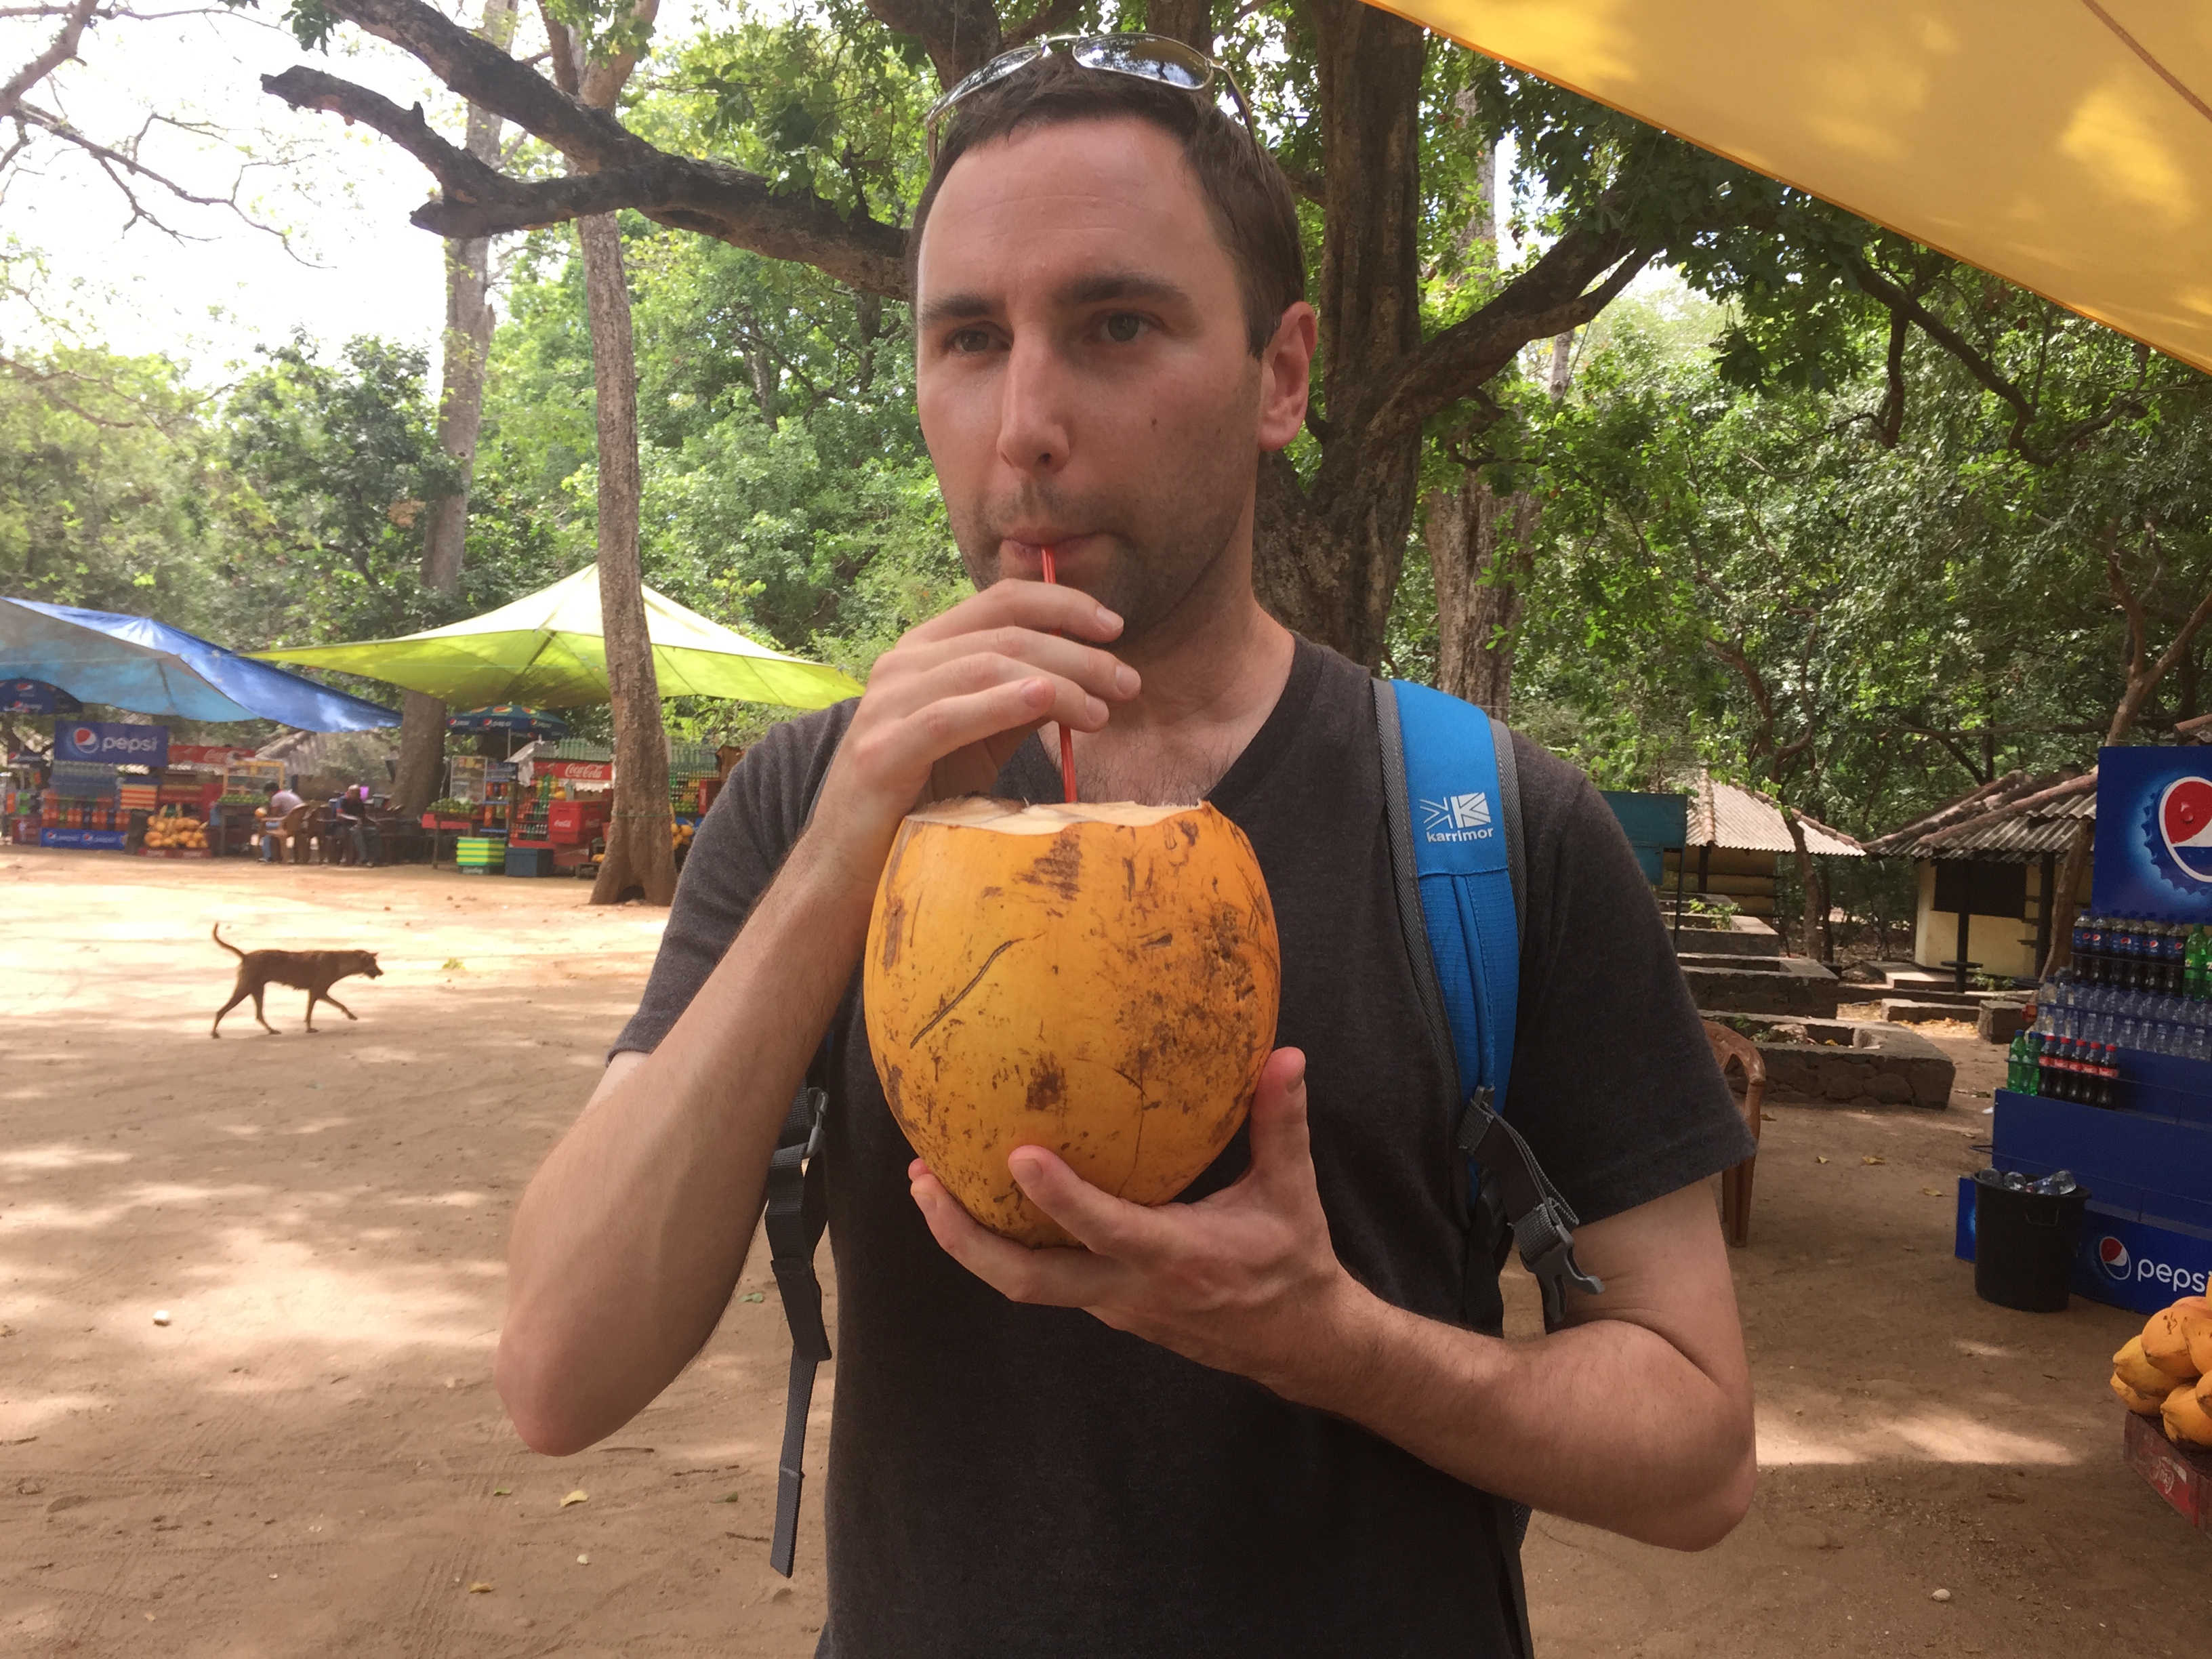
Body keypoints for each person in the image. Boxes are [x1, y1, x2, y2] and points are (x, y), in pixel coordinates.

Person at [497, 42, 1757, 1658]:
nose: (1025, 427)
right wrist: (840, 856)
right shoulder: (814, 797)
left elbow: (1697, 1449)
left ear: (1281, 376)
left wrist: (1335, 1342)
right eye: (970, 339)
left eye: (1115, 326)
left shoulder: (1490, 827)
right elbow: (559, 1371)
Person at [257, 779, 304, 863]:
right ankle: (276, 855)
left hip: (287, 825)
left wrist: (264, 818)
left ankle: (267, 856)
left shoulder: (276, 797)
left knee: (265, 827)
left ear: (270, 792)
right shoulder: (289, 794)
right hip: (299, 824)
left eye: (267, 794)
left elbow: (274, 815)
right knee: (270, 826)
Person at [335, 784, 381, 867]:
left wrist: (374, 821)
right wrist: (355, 819)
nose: (359, 796)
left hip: (357, 827)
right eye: (357, 794)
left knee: (374, 831)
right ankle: (363, 858)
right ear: (350, 793)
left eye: (359, 794)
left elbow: (363, 815)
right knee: (356, 831)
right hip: (341, 827)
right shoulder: (342, 801)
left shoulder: (359, 802)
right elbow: (339, 815)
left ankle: (374, 858)